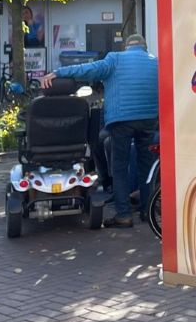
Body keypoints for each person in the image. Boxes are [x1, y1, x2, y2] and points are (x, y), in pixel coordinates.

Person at [42, 34, 158, 228]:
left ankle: (124, 215)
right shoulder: (155, 62)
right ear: (144, 48)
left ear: (127, 47)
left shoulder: (115, 59)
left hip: (122, 120)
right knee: (146, 166)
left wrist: (59, 73)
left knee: (119, 167)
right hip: (148, 119)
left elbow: (88, 70)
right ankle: (147, 211)